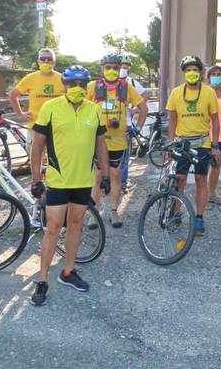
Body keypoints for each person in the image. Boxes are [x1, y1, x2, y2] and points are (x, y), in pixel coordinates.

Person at [29, 65, 111, 306]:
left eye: (81, 85)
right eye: (72, 84)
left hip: (84, 180)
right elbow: (37, 146)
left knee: (76, 225)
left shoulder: (94, 110)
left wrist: (104, 174)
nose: (77, 89)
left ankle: (68, 271)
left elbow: (101, 144)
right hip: (57, 180)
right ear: (64, 86)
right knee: (53, 228)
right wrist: (36, 179)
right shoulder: (50, 108)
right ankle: (42, 280)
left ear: (87, 87)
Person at [87, 54, 147, 228]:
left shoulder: (126, 87)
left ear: (119, 68)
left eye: (115, 67)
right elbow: (80, 107)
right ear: (102, 69)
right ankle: (94, 213)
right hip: (98, 141)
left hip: (118, 140)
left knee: (115, 175)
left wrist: (136, 129)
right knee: (97, 176)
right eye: (108, 67)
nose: (111, 70)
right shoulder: (93, 86)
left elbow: (143, 108)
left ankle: (114, 211)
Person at [166, 55, 221, 236]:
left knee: (200, 180)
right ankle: (176, 213)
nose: (192, 73)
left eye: (195, 70)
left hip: (202, 143)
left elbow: (215, 120)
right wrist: (171, 143)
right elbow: (172, 119)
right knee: (179, 178)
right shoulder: (175, 93)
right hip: (182, 143)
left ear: (200, 73)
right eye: (188, 70)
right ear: (184, 73)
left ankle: (199, 217)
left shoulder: (209, 92)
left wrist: (215, 145)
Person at [9, 48, 65, 156]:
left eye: (49, 59)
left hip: (57, 127)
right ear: (38, 62)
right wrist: (20, 114)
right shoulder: (30, 78)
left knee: (57, 160)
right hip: (35, 126)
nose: (46, 61)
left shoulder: (62, 78)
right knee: (35, 161)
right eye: (42, 59)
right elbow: (13, 94)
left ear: (54, 62)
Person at [119, 55, 149, 193]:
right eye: (121, 66)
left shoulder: (131, 82)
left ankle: (122, 183)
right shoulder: (105, 83)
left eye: (125, 66)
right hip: (107, 126)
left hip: (127, 124)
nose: (122, 68)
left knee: (124, 158)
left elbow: (145, 95)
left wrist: (135, 109)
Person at [205, 65, 221, 206]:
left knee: (216, 166)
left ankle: (211, 194)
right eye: (214, 74)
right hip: (206, 135)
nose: (217, 76)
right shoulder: (204, 92)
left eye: (219, 74)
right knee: (203, 168)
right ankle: (202, 197)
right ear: (208, 77)